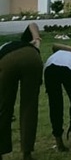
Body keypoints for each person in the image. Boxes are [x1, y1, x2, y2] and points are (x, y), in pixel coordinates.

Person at [0, 23, 42, 160]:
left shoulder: (5, 46)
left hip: (6, 61)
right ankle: (27, 153)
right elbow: (32, 24)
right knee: (29, 106)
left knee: (3, 108)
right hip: (32, 57)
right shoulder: (26, 44)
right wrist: (37, 39)